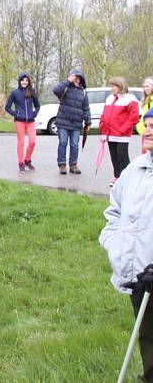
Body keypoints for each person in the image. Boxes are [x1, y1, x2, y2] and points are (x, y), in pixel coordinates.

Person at [99, 107, 153, 383]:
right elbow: (114, 211)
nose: (149, 130)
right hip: (139, 277)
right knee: (147, 339)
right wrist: (115, 245)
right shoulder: (136, 169)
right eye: (147, 124)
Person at [99, 77, 139, 187]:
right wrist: (102, 126)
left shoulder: (130, 99)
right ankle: (117, 177)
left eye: (113, 86)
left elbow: (134, 117)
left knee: (122, 156)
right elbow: (104, 114)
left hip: (122, 135)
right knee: (114, 156)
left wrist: (123, 129)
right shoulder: (109, 98)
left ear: (120, 86)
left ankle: (127, 179)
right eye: (110, 86)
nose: (111, 88)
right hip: (109, 134)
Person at [52, 69, 90, 175]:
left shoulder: (83, 92)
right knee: (63, 143)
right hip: (63, 122)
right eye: (75, 77)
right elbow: (56, 90)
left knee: (74, 145)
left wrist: (88, 122)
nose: (76, 79)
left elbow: (86, 108)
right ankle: (62, 165)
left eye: (79, 77)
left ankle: (73, 165)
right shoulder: (65, 87)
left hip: (76, 123)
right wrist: (67, 80)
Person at [4, 72, 41, 172]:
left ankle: (27, 160)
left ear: (28, 81)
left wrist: (34, 114)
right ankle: (21, 163)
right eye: (22, 80)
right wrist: (15, 114)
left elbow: (37, 105)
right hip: (19, 121)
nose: (24, 82)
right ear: (19, 81)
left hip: (30, 121)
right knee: (21, 142)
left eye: (26, 80)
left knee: (32, 142)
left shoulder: (32, 92)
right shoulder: (14, 93)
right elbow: (7, 107)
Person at [137, 78, 153, 151]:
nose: (145, 88)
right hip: (144, 131)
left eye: (147, 86)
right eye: (144, 87)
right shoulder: (145, 100)